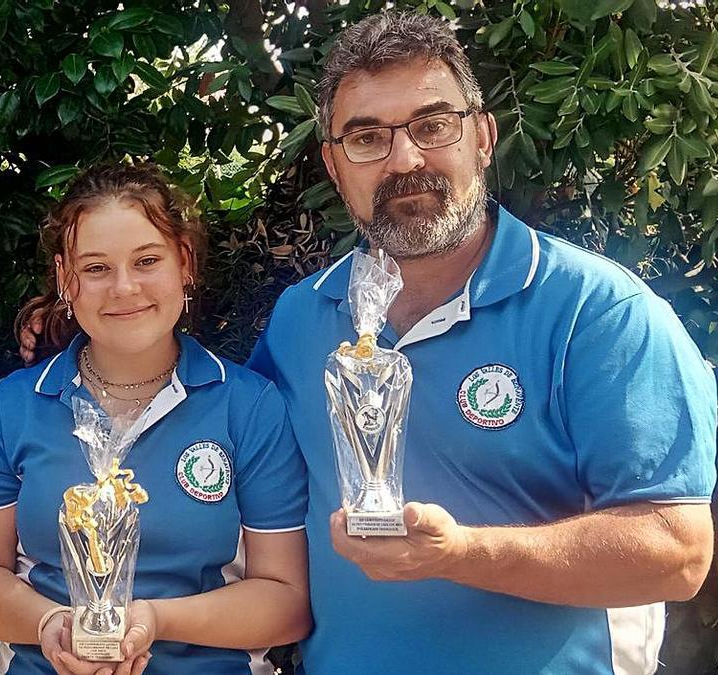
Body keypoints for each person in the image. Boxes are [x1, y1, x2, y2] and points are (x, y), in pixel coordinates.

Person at [244, 11, 716, 675]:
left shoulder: (600, 313)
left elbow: (679, 553)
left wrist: (459, 552)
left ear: (484, 136)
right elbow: (226, 449)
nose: (405, 159)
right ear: (333, 163)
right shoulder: (300, 317)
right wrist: (86, 343)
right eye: (368, 137)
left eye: (433, 125)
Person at [0, 163, 311, 675]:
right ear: (63, 279)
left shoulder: (250, 407)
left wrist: (152, 621)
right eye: (96, 268)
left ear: (184, 263)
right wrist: (51, 625)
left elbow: (286, 603)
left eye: (146, 261)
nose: (123, 288)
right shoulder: (13, 406)